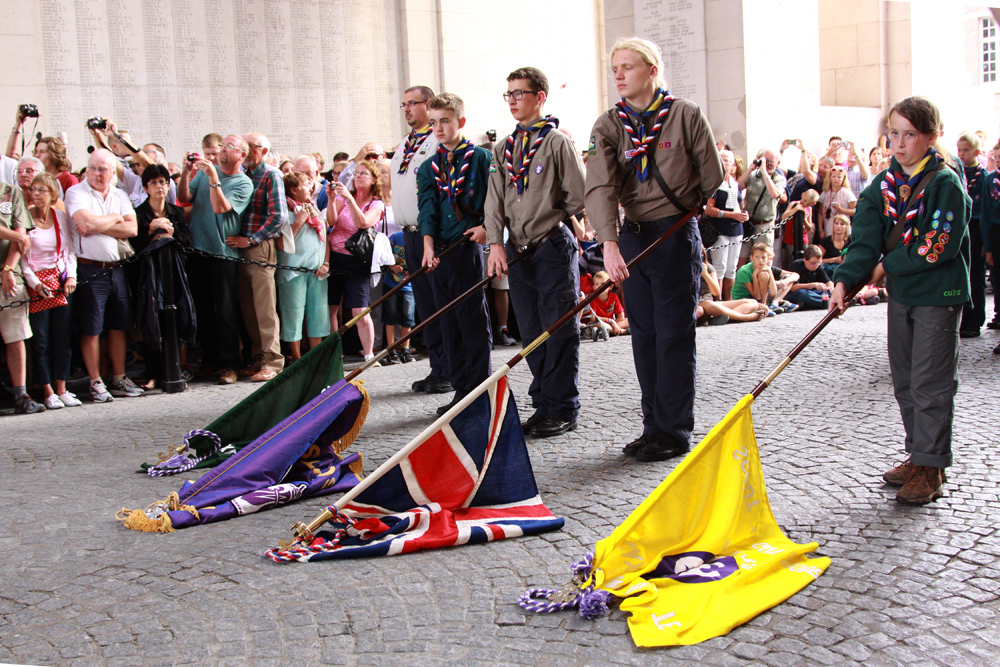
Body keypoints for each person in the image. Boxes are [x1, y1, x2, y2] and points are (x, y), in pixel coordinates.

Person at [584, 38, 723, 460]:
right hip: (631, 237)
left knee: (673, 337)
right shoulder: (609, 125)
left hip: (674, 234)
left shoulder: (685, 115)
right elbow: (601, 186)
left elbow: (711, 174)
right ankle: (653, 426)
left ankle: (674, 431)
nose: (620, 75)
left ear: (652, 70)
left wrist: (678, 207)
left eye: (628, 66)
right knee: (643, 337)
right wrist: (609, 243)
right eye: (615, 68)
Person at [830, 96, 971, 505]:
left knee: (932, 381)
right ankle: (918, 452)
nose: (900, 143)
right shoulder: (882, 185)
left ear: (931, 136)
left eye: (910, 134)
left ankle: (932, 465)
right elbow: (864, 240)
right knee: (906, 379)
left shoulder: (946, 184)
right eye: (894, 133)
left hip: (938, 294)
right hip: (903, 296)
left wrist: (885, 267)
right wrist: (845, 281)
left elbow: (936, 247)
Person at [486, 66, 586, 439]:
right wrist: (496, 242)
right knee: (529, 331)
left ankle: (563, 407)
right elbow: (493, 200)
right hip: (517, 251)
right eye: (508, 94)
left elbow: (579, 193)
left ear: (540, 97)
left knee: (558, 330)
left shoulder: (557, 142)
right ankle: (543, 404)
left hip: (551, 246)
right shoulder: (504, 147)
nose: (513, 100)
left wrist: (548, 208)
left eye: (519, 93)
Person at [417, 92, 493, 416]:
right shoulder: (428, 167)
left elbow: (494, 199)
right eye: (433, 122)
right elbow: (427, 210)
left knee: (472, 321)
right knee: (449, 323)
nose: (438, 128)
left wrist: (487, 228)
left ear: (460, 122)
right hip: (442, 252)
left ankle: (480, 392)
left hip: (469, 246)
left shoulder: (481, 158)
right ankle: (461, 391)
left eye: (444, 121)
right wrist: (428, 247)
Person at [64, 149, 143, 402]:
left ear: (112, 172)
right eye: (93, 168)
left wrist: (103, 223)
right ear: (86, 169)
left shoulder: (119, 194)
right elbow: (85, 224)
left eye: (103, 169)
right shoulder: (76, 192)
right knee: (91, 328)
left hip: (116, 268)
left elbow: (132, 229)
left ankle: (119, 377)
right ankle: (95, 380)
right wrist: (116, 218)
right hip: (89, 268)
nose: (97, 174)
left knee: (119, 326)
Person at [389, 85, 451, 394]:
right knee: (426, 306)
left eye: (413, 103)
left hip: (432, 234)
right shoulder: (405, 144)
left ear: (428, 105)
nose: (407, 109)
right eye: (404, 104)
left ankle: (450, 368)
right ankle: (437, 366)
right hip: (409, 234)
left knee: (441, 303)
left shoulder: (436, 140)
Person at [177, 135, 254, 385]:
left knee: (226, 311)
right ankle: (209, 360)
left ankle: (230, 364)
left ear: (241, 155)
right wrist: (185, 172)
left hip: (223, 254)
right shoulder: (205, 173)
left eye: (228, 147)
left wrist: (212, 178)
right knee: (202, 310)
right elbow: (185, 197)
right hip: (198, 251)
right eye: (222, 146)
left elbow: (221, 208)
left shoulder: (243, 182)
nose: (222, 150)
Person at [226, 132, 287, 382]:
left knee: (264, 308)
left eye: (251, 147)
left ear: (263, 151)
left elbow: (278, 216)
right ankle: (257, 359)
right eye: (243, 146)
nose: (246, 151)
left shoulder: (271, 174)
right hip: (239, 247)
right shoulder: (243, 175)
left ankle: (273, 361)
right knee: (248, 308)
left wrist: (252, 239)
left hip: (258, 245)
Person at [20, 172, 79, 409]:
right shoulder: (25, 218)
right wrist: (34, 283)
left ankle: (62, 387)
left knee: (62, 337)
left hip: (60, 281)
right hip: (37, 283)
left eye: (41, 190)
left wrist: (71, 275)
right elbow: (22, 257)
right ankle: (46, 390)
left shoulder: (60, 217)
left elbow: (69, 250)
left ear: (52, 193)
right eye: (33, 189)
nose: (36, 194)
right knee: (41, 340)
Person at [132, 164, 191, 388]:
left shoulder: (176, 212)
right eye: (154, 182)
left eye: (164, 182)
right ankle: (153, 372)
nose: (160, 187)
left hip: (174, 273)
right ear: (146, 187)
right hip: (148, 274)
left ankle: (176, 367)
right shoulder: (139, 213)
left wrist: (172, 233)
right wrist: (150, 230)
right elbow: (134, 245)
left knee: (175, 316)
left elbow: (187, 242)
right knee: (151, 318)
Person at [326, 159, 384, 363]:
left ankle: (369, 354)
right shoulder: (344, 198)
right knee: (332, 307)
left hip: (357, 261)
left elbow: (363, 223)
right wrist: (332, 200)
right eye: (356, 173)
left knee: (359, 309)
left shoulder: (376, 203)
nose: (358, 176)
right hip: (334, 256)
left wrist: (349, 199)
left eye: (364, 174)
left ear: (374, 180)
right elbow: (331, 221)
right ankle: (335, 353)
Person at [1, 171, 44, 413]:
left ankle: (21, 395)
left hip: (9, 274)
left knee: (16, 334)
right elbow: (20, 235)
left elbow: (22, 236)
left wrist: (7, 268)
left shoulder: (11, 192)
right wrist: (16, 235)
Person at [277, 171, 329, 362]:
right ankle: (296, 356)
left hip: (317, 272)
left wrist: (325, 262)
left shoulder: (313, 210)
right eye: (306, 184)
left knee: (318, 312)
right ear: (293, 189)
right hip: (293, 272)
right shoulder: (286, 213)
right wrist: (298, 221)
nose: (310, 187)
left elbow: (325, 240)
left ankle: (316, 354)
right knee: (294, 313)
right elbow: (281, 244)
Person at [955, 131, 987, 338]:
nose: (962, 154)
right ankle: (962, 318)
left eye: (966, 150)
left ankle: (975, 319)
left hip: (976, 228)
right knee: (962, 274)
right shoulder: (956, 173)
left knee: (976, 276)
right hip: (960, 228)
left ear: (976, 152)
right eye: (959, 150)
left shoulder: (983, 177)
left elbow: (985, 208)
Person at [704, 149, 747, 300]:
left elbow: (739, 205)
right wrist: (730, 215)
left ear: (733, 164)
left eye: (727, 160)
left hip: (736, 229)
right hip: (719, 229)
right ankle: (719, 302)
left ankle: (730, 301)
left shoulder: (735, 184)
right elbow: (709, 209)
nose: (724, 163)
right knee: (720, 266)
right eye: (721, 159)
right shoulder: (714, 183)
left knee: (731, 268)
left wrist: (742, 214)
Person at [738, 148, 785, 264]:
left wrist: (765, 173)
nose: (768, 164)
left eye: (771, 161)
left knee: (764, 261)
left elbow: (774, 194)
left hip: (764, 225)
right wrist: (750, 169)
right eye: (765, 160)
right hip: (748, 224)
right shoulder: (753, 175)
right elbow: (738, 187)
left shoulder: (779, 179)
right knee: (741, 258)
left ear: (778, 163)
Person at [696, 254, 767, 324]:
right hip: (698, 306)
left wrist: (706, 275)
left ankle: (726, 317)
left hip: (711, 304)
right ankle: (745, 317)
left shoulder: (708, 268)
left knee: (753, 303)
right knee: (704, 307)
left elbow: (716, 292)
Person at [731, 243, 799, 315]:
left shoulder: (766, 268)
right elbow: (756, 296)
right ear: (752, 258)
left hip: (759, 298)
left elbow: (773, 293)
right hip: (744, 299)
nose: (760, 260)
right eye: (757, 257)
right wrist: (754, 276)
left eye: (763, 257)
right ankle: (771, 304)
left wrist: (773, 274)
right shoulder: (744, 271)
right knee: (764, 275)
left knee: (788, 277)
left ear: (768, 259)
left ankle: (773, 303)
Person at [382, 229, 415, 364]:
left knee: (408, 318)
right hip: (391, 283)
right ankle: (391, 349)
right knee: (390, 317)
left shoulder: (419, 238)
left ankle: (405, 349)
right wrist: (392, 265)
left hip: (409, 285)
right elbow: (384, 254)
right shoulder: (396, 237)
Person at [982, 141, 1000, 335]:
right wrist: (987, 246)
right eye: (997, 157)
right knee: (997, 279)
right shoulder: (990, 180)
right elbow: (986, 214)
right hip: (996, 234)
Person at [785, 245, 833, 310]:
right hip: (797, 293)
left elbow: (828, 281)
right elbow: (793, 288)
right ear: (805, 259)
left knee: (827, 292)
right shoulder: (796, 265)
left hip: (813, 293)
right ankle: (829, 302)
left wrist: (830, 286)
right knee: (802, 294)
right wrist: (813, 285)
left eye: (819, 263)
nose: (816, 266)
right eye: (813, 263)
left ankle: (824, 302)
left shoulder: (818, 267)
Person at [817, 164, 857, 240]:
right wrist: (820, 229)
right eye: (834, 177)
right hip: (828, 228)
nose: (836, 179)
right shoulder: (825, 193)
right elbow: (820, 213)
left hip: (843, 230)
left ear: (843, 179)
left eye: (839, 177)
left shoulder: (847, 193)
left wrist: (841, 210)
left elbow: (855, 211)